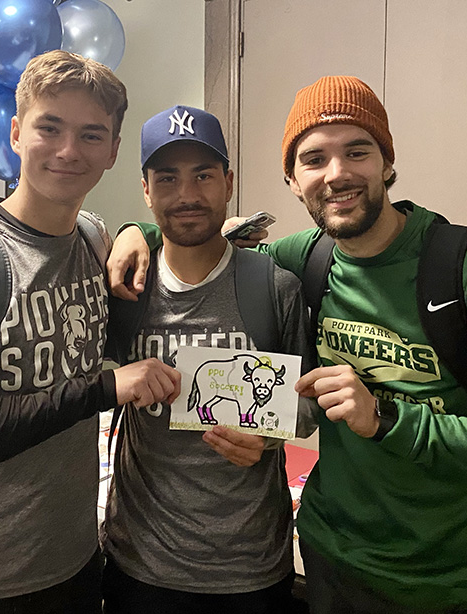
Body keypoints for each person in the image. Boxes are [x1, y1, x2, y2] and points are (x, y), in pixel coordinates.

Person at [108, 76, 467, 614]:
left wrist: (388, 420)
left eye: (357, 151)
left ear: (387, 162)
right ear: (292, 179)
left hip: (451, 583)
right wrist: (137, 231)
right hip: (331, 562)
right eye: (314, 158)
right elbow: (200, 238)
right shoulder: (301, 260)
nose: (337, 174)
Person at [0, 50, 181, 614]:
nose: (69, 151)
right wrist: (105, 388)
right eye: (50, 127)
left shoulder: (95, 240)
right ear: (17, 132)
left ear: (114, 152)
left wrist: (136, 231)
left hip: (68, 562)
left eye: (92, 135)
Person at [101, 105, 315, 614]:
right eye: (167, 178)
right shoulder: (124, 290)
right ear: (146, 189)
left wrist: (268, 436)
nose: (187, 195)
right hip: (140, 562)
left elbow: (307, 403)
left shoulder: (274, 288)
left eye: (203, 175)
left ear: (228, 182)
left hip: (251, 567)